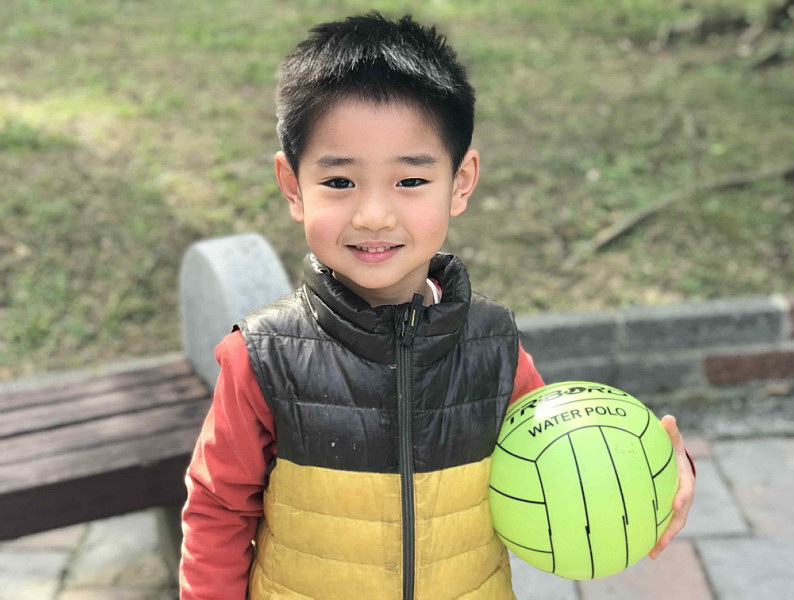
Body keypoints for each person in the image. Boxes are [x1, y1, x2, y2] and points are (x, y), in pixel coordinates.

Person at [179, 12, 695, 599]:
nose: (375, 215)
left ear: (461, 181)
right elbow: (218, 509)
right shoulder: (262, 358)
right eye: (341, 182)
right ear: (293, 185)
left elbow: (566, 458)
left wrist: (659, 472)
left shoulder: (494, 347)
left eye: (410, 181)